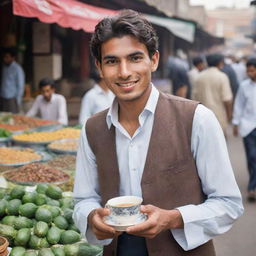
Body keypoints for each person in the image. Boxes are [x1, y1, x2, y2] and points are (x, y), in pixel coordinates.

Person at [73, 10, 243, 256]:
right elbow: (83, 198)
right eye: (112, 61)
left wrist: (173, 218)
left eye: (134, 58)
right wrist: (91, 217)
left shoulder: (196, 119)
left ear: (153, 60)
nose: (124, 72)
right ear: (100, 67)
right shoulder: (92, 129)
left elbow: (228, 204)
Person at [232, 57, 256, 202]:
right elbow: (239, 105)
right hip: (248, 127)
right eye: (248, 70)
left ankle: (252, 188)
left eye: (252, 70)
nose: (249, 73)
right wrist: (235, 123)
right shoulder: (244, 86)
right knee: (251, 157)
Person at [193, 54, 233, 135]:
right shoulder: (222, 77)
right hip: (219, 117)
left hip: (202, 118)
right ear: (220, 63)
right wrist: (229, 116)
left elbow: (194, 99)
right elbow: (227, 100)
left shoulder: (199, 77)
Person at [0, 47, 25, 113]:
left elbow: (20, 85)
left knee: (12, 117)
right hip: (3, 97)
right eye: (4, 57)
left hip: (12, 98)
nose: (5, 59)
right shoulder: (3, 67)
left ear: (13, 58)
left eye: (7, 57)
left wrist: (17, 100)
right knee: (3, 117)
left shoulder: (17, 69)